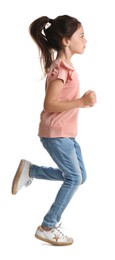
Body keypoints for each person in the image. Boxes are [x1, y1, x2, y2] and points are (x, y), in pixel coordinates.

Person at [11, 15, 96, 246]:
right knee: (74, 177)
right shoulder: (61, 69)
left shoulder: (66, 67)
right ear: (66, 41)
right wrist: (81, 102)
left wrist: (81, 101)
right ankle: (48, 226)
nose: (85, 40)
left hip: (65, 134)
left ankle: (32, 171)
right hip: (56, 133)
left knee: (80, 177)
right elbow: (49, 104)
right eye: (81, 36)